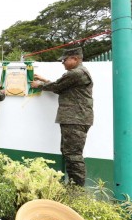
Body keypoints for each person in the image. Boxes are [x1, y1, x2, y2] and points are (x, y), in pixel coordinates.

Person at [31, 47, 93, 186]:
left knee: (73, 155)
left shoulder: (76, 73)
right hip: (75, 118)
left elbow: (57, 87)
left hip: (75, 119)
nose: (62, 62)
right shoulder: (78, 74)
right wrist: (45, 80)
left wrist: (39, 84)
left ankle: (77, 189)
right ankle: (74, 185)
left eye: (65, 60)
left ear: (75, 59)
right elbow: (62, 87)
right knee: (69, 152)